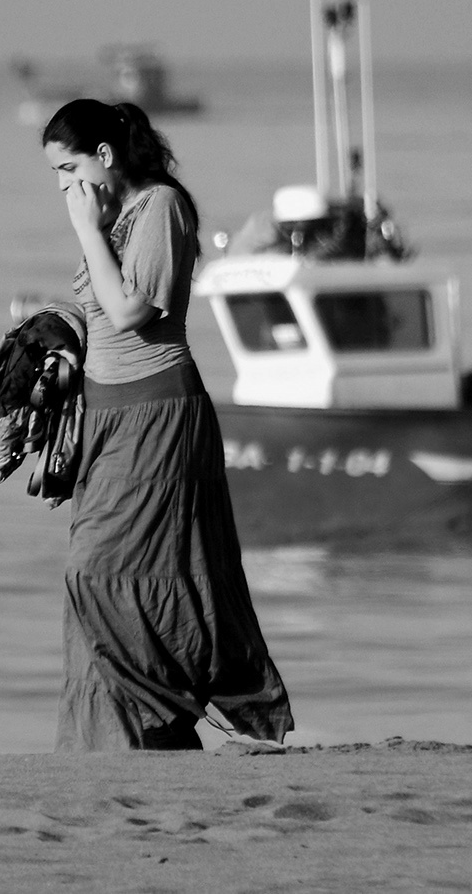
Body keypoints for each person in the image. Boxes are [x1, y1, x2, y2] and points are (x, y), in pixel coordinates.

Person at [39, 98, 293, 751]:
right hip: (105, 419)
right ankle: (127, 743)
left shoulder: (159, 208)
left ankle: (169, 712)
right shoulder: (114, 215)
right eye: (56, 178)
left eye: (70, 170)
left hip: (158, 417)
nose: (65, 189)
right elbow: (97, 314)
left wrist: (87, 231)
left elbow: (129, 313)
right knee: (85, 583)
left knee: (99, 573)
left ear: (104, 156)